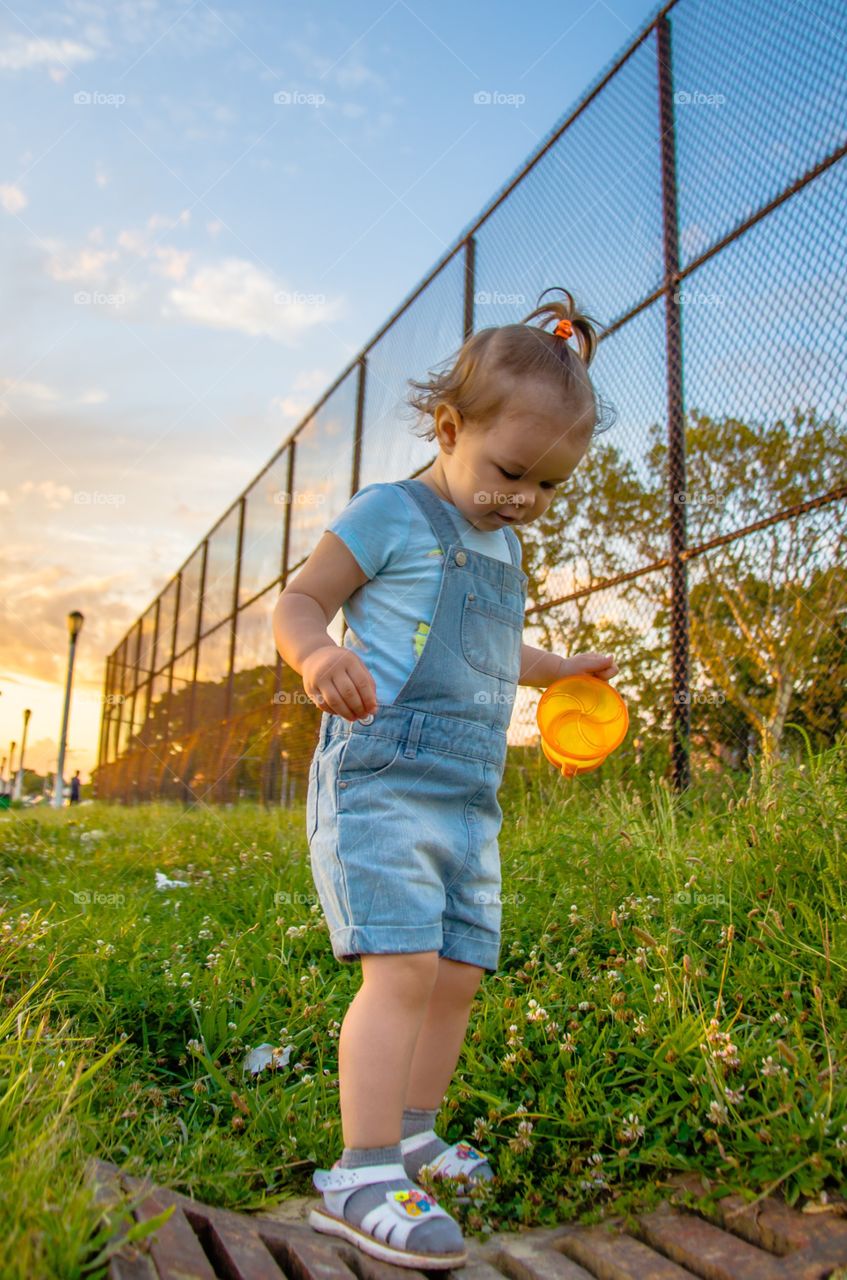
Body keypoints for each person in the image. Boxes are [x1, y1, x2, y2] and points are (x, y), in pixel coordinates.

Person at [273, 286, 620, 1268]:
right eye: (511, 471)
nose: (524, 500)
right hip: (381, 777)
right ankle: (361, 1167)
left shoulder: (502, 544)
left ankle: (416, 1131)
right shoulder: (393, 512)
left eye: (550, 486)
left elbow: (500, 646)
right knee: (404, 967)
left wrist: (564, 672)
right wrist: (313, 657)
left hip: (470, 798)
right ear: (448, 425)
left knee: (460, 972)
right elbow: (300, 599)